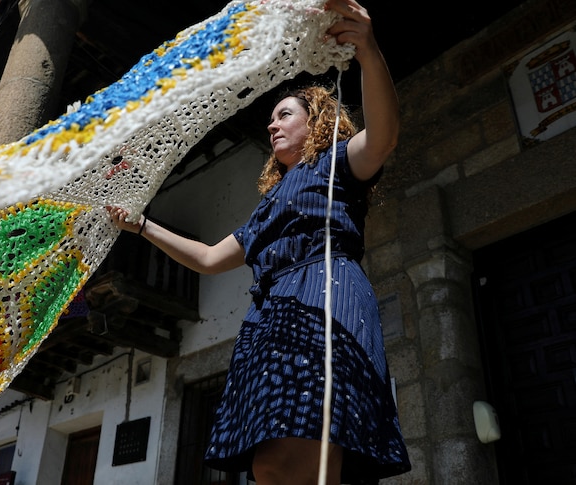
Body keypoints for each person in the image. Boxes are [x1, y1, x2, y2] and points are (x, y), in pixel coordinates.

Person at [107, 0, 410, 483]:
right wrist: (143, 226)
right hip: (269, 316)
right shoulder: (266, 207)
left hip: (323, 296)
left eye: (284, 115)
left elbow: (383, 138)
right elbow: (209, 259)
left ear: (317, 123)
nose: (272, 124)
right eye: (271, 118)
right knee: (267, 464)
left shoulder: (335, 162)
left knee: (309, 449)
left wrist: (369, 53)